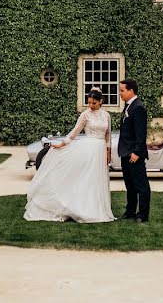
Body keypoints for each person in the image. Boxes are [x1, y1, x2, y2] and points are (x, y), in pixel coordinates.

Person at [24, 87, 114, 223]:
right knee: (88, 179)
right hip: (89, 150)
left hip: (100, 150)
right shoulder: (85, 114)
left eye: (93, 103)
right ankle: (84, 208)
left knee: (98, 179)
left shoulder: (106, 115)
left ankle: (98, 207)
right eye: (89, 102)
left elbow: (108, 136)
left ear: (101, 101)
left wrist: (108, 152)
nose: (90, 105)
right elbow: (75, 131)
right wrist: (63, 143)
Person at [117, 78, 150, 223]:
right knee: (129, 185)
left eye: (122, 91)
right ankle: (130, 211)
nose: (120, 94)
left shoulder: (138, 107)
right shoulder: (128, 106)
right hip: (126, 152)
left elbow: (140, 133)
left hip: (134, 154)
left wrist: (137, 152)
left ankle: (143, 214)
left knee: (141, 185)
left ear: (131, 91)